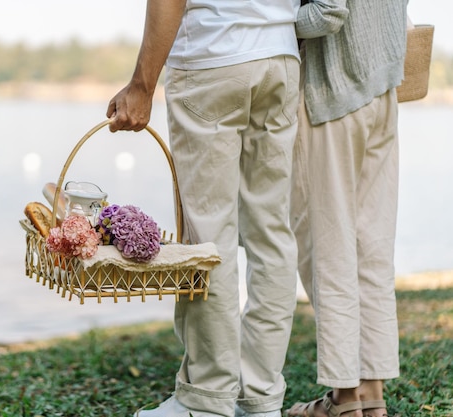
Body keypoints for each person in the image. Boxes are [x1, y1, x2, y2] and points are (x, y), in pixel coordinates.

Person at [107, 1, 301, 416]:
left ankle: (208, 400)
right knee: (272, 234)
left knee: (208, 237)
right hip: (280, 58)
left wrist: (141, 84)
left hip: (214, 57)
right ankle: (261, 398)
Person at [286, 1, 408, 416]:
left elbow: (328, 12)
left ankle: (344, 400)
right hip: (382, 89)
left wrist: (260, 21)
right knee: (371, 249)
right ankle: (372, 396)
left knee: (330, 249)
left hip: (333, 93)